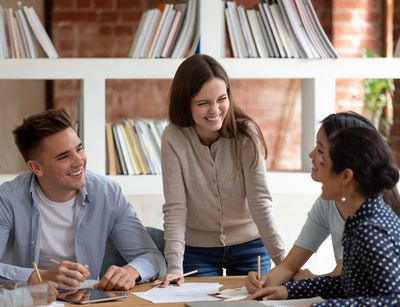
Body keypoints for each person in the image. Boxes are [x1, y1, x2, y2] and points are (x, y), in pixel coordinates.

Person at [0, 108, 166, 291]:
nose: (79, 161)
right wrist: (40, 277)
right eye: (64, 156)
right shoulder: (7, 199)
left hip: (86, 298)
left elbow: (152, 257)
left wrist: (131, 271)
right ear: (36, 167)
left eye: (79, 149)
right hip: (26, 299)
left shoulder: (108, 194)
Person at [159, 54, 285, 286]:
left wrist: (284, 263)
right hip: (198, 250)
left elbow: (260, 202)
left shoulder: (246, 135)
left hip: (250, 245)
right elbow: (175, 207)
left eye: (222, 98)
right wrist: (175, 267)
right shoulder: (173, 137)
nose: (215, 110)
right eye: (203, 103)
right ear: (185, 104)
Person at [246, 112, 400, 293]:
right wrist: (280, 288)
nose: (311, 155)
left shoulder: (369, 229)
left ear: (345, 175)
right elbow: (343, 283)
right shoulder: (356, 218)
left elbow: (392, 299)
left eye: (320, 150)